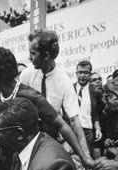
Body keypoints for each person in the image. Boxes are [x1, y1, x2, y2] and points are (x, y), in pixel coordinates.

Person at [0, 46, 93, 168]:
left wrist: (83, 157)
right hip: (1, 160)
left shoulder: (31, 96)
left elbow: (61, 125)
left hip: (30, 162)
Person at [20, 29, 91, 158]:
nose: (29, 58)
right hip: (26, 135)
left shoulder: (64, 81)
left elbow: (74, 119)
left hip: (50, 137)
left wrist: (86, 154)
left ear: (46, 55)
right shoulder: (26, 75)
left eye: (33, 53)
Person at [74, 61, 102, 157]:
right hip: (71, 129)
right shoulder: (69, 89)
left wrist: (98, 129)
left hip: (87, 131)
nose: (83, 75)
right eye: (80, 72)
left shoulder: (96, 92)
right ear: (76, 73)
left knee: (86, 158)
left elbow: (96, 113)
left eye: (86, 72)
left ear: (90, 74)